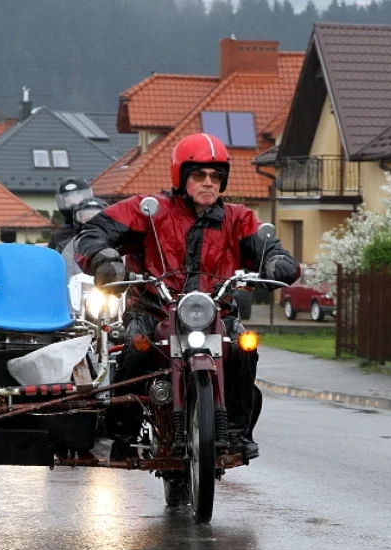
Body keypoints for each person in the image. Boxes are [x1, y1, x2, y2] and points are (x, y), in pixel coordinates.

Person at [75, 133, 299, 460]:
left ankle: (236, 430)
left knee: (244, 348)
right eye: (199, 175)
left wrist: (278, 263)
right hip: (154, 310)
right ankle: (124, 429)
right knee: (137, 348)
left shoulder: (239, 218)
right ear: (181, 176)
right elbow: (95, 232)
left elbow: (271, 250)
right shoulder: (150, 211)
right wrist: (104, 258)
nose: (208, 183)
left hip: (216, 313)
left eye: (215, 177)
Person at [61, 197, 108, 278]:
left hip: (113, 287)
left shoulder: (118, 243)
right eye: (86, 218)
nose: (92, 221)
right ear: (76, 219)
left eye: (98, 217)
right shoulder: (70, 247)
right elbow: (65, 270)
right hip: (79, 287)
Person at [49, 177, 93, 252]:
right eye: (68, 197)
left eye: (78, 195)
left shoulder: (99, 227)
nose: (74, 201)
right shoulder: (58, 236)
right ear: (62, 201)